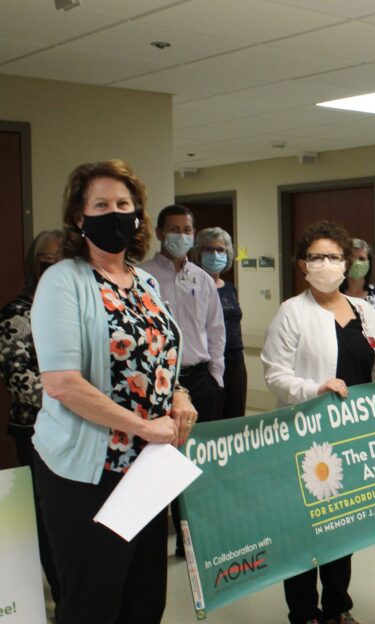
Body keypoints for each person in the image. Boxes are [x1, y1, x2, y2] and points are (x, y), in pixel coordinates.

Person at [31, 159, 197, 623]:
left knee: (144, 600)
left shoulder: (144, 282)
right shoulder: (63, 281)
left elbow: (161, 361)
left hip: (147, 470)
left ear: (138, 215)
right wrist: (143, 426)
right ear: (80, 219)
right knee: (92, 603)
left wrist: (179, 395)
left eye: (123, 204)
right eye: (100, 204)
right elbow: (62, 384)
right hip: (88, 471)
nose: (114, 213)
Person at [262, 220, 375, 624]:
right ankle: (303, 611)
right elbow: (275, 374)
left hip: (353, 434)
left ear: (347, 263)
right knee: (303, 527)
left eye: (334, 257)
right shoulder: (292, 312)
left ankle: (338, 606)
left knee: (342, 526)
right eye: (316, 257)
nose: (326, 264)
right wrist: (314, 389)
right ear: (303, 265)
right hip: (306, 436)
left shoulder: (366, 312)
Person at [140, 204, 225, 556]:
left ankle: (195, 537)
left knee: (201, 460)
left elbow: (215, 331)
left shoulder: (202, 279)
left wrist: (217, 377)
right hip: (161, 386)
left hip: (200, 379)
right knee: (165, 461)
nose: (181, 236)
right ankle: (166, 535)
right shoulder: (142, 277)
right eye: (173, 229)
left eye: (187, 230)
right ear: (159, 233)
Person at [0, 229, 63, 604]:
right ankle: (60, 591)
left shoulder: (68, 308)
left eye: (62, 259)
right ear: (33, 264)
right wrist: (77, 402)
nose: (53, 267)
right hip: (35, 432)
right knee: (47, 517)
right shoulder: (16, 314)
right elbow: (19, 377)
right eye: (46, 260)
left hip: (79, 433)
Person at [191, 227, 247, 419]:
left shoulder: (230, 288)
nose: (215, 254)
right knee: (211, 417)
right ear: (199, 253)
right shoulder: (193, 286)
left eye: (221, 250)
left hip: (235, 360)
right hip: (208, 363)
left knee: (235, 417)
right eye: (209, 249)